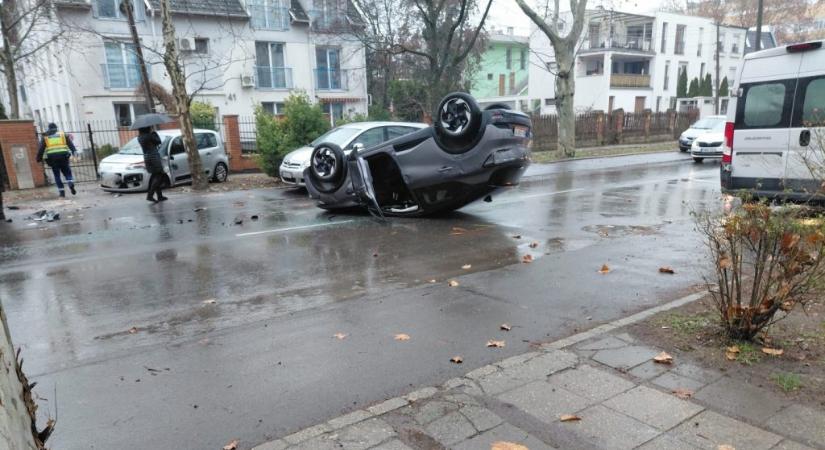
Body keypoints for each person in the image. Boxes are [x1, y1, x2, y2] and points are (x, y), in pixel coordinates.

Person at [36, 123, 77, 198]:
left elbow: (41, 148)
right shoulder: (63, 135)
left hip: (52, 158)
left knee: (57, 175)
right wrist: (74, 151)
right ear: (56, 128)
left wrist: (38, 158)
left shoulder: (46, 136)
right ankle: (70, 182)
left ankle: (62, 193)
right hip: (64, 156)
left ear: (49, 128)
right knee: (67, 172)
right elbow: (70, 144)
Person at [138, 126, 168, 203]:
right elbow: (159, 141)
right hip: (154, 157)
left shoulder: (140, 137)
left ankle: (159, 196)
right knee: (158, 175)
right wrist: (154, 133)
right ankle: (150, 195)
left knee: (155, 176)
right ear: (147, 128)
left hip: (147, 157)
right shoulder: (150, 135)